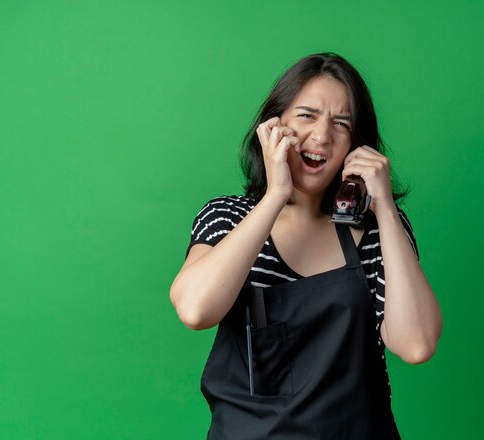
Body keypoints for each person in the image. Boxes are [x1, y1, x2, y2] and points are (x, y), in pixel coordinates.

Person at [170, 52, 442, 439]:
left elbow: (416, 345)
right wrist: (275, 194)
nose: (322, 135)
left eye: (341, 123)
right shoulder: (227, 218)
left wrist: (384, 210)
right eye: (307, 115)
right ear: (273, 127)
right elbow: (196, 310)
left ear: (356, 144)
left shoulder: (379, 232)